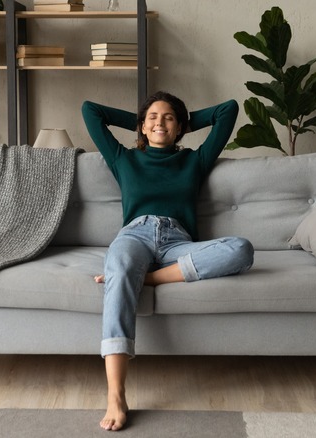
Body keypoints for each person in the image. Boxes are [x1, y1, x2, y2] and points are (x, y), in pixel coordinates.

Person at [81, 91, 254, 431]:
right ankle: (116, 394)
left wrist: (183, 118)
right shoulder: (123, 158)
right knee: (119, 264)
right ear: (142, 127)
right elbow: (91, 110)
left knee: (241, 249)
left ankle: (144, 278)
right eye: (153, 118)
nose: (160, 122)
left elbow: (228, 110)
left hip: (179, 242)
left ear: (180, 129)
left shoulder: (195, 160)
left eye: (169, 118)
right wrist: (144, 116)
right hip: (135, 236)